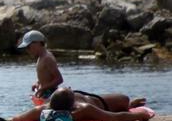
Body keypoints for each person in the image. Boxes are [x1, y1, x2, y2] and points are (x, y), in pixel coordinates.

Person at [17, 29, 145, 112]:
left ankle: (128, 106)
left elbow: (58, 79)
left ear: (38, 43)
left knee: (89, 104)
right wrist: (38, 83)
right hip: (45, 93)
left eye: (29, 47)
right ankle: (125, 105)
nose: (27, 50)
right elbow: (45, 76)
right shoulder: (40, 57)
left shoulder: (47, 58)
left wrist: (43, 88)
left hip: (52, 94)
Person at [10, 87, 150, 121]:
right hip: (96, 102)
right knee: (124, 100)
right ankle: (131, 104)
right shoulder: (84, 108)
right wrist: (139, 114)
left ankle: (131, 104)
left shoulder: (41, 110)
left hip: (82, 99)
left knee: (123, 100)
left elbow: (15, 120)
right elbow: (115, 118)